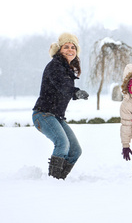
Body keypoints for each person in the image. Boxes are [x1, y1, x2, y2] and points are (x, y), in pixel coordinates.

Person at [32, 32, 89, 180]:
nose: (70, 50)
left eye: (73, 47)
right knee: (62, 144)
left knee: (75, 150)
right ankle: (54, 181)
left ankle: (60, 178)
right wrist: (76, 93)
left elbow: (65, 88)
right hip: (43, 114)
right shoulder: (55, 66)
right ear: (59, 50)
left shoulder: (66, 69)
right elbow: (63, 86)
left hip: (56, 117)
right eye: (66, 47)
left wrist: (76, 93)